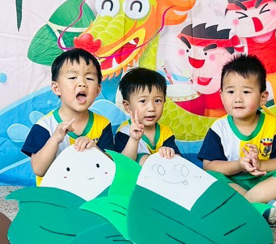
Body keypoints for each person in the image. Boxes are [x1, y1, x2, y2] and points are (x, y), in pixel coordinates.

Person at [197, 54, 276, 224]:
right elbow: (209, 165)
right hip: (232, 183)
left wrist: (261, 164)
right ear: (222, 95)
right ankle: (259, 209)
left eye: (246, 92)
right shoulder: (219, 128)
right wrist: (238, 165)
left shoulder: (272, 125)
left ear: (263, 97)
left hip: (263, 182)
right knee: (209, 177)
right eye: (231, 92)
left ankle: (242, 207)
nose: (238, 99)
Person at [22, 48, 114, 180]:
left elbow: (110, 166)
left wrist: (95, 150)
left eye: (89, 78)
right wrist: (54, 140)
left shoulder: (103, 124)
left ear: (98, 90)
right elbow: (38, 170)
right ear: (57, 88)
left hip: (90, 188)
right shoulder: (44, 126)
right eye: (72, 77)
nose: (82, 83)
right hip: (54, 191)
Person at [114, 68, 179, 163]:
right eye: (143, 101)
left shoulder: (165, 132)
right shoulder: (124, 132)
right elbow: (123, 163)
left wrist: (170, 153)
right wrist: (134, 140)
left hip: (161, 171)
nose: (151, 108)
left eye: (157, 101)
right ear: (127, 106)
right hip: (136, 172)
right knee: (143, 158)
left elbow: (178, 161)